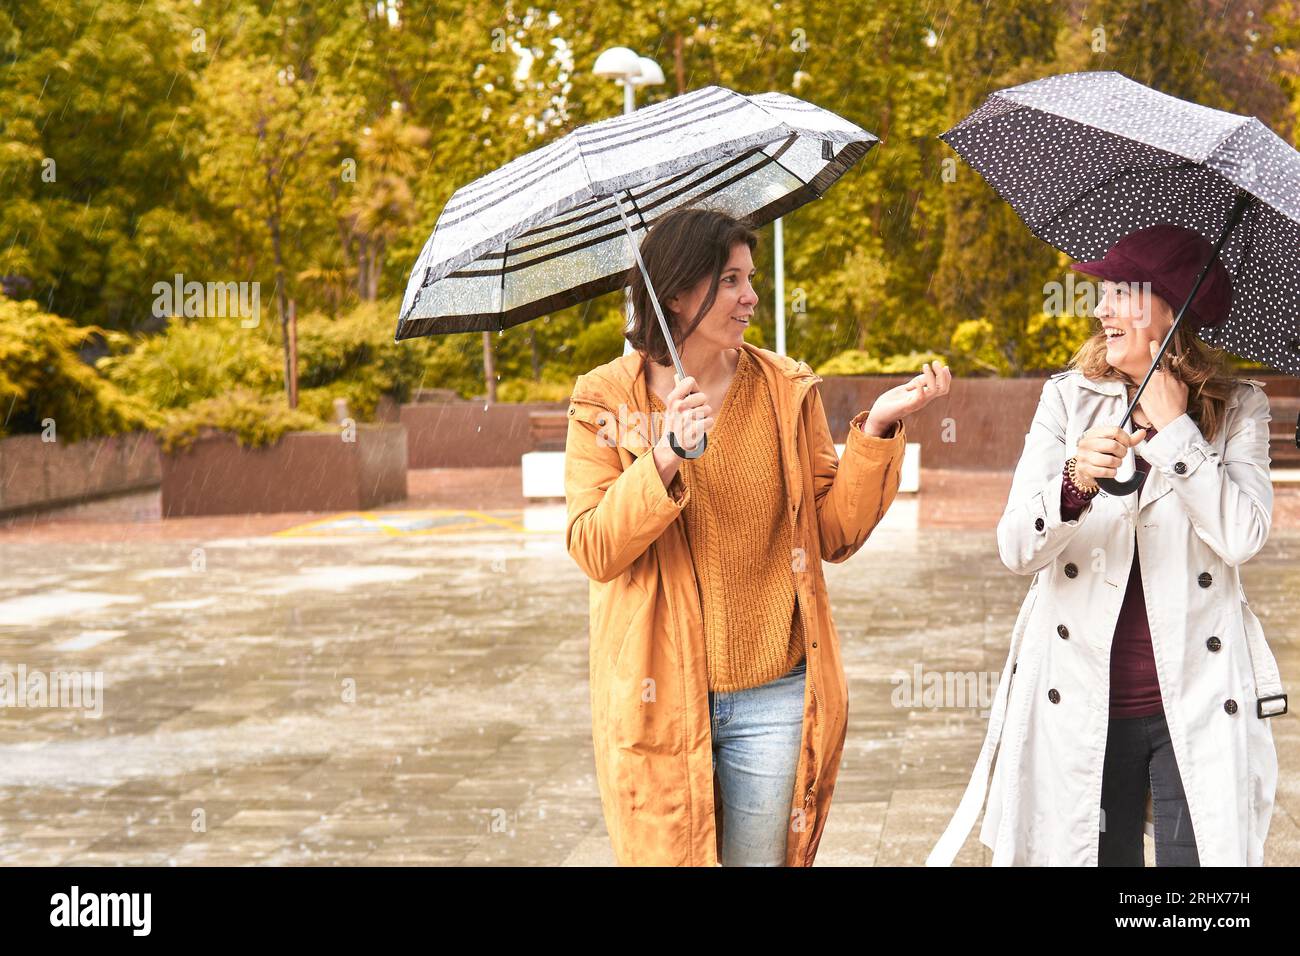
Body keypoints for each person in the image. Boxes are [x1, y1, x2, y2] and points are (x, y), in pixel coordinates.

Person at [564, 205, 951, 866]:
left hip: (774, 693)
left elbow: (831, 531)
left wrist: (878, 429)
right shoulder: (605, 401)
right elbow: (595, 547)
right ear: (681, 293)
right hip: (658, 697)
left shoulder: (783, 389)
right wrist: (664, 456)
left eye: (750, 278)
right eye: (734, 280)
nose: (752, 296)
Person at [928, 223, 1285, 867]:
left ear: (1170, 309)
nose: (1099, 307)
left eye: (1121, 291)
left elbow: (1242, 536)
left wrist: (1176, 431)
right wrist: (1073, 485)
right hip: (1082, 704)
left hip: (1198, 707)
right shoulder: (1067, 400)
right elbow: (1015, 548)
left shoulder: (1238, 410)